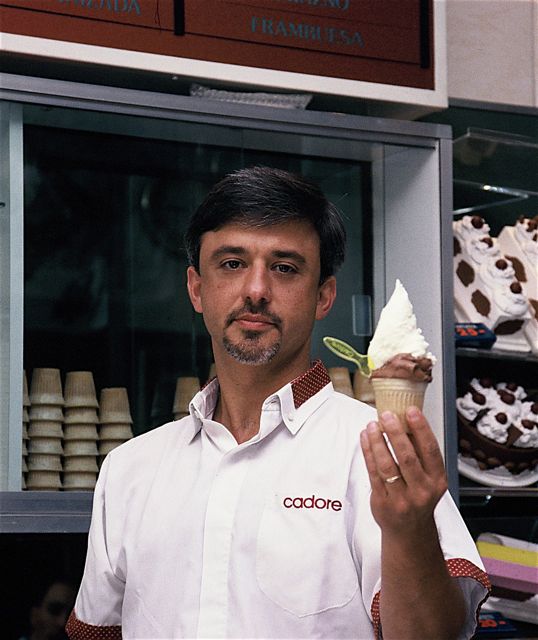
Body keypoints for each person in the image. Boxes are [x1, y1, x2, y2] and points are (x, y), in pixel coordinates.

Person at [67, 167, 490, 639]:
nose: (255, 290)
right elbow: (96, 632)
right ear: (196, 288)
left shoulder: (376, 454)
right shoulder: (130, 468)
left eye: (285, 267)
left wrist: (409, 531)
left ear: (324, 295)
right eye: (231, 263)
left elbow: (435, 635)